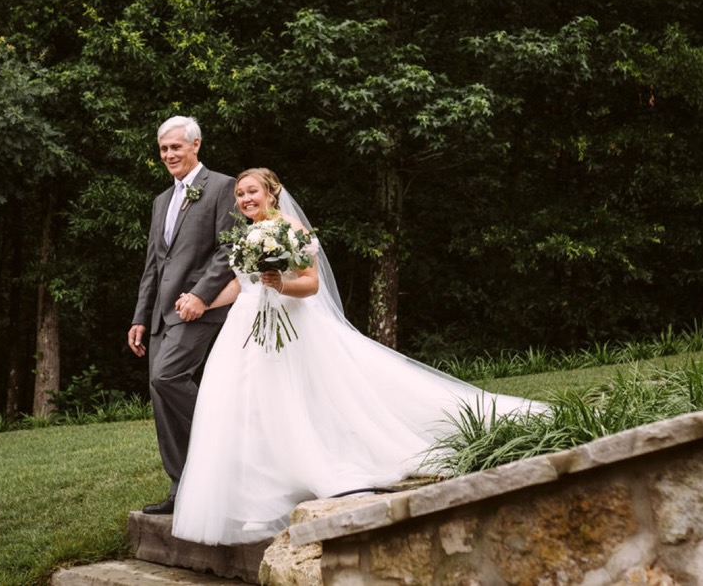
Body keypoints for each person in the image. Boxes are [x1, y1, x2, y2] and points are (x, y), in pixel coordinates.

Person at [170, 168, 545, 545]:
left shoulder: (291, 230)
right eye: (239, 194)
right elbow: (241, 284)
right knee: (243, 409)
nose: (245, 199)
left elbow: (311, 284)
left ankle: (295, 476)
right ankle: (256, 494)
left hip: (288, 329)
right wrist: (202, 304)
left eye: (251, 192)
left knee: (286, 402)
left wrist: (281, 283)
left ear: (271, 192)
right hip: (245, 329)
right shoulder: (248, 235)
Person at [128, 116, 237, 515]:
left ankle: (225, 445)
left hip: (197, 310)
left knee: (167, 377)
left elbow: (229, 250)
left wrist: (201, 296)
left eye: (176, 147)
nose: (169, 154)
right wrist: (140, 317)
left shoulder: (222, 187)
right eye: (163, 149)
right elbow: (154, 265)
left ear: (196, 145)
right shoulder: (161, 201)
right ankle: (182, 488)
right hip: (160, 316)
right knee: (161, 398)